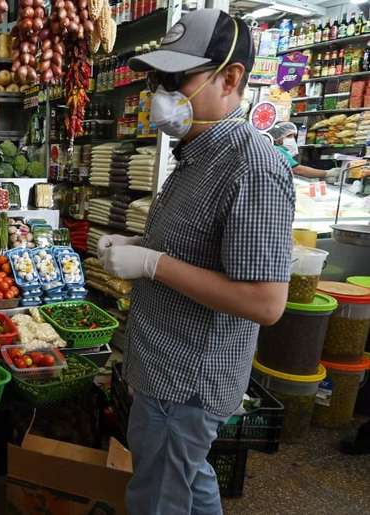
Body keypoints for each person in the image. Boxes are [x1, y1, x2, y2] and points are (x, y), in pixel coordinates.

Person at [97, 10, 294, 515]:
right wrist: (136, 244)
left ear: (231, 79)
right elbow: (196, 248)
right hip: (163, 367)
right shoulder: (194, 152)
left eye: (178, 78)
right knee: (188, 478)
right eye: (158, 79)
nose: (162, 93)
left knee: (158, 498)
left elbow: (266, 301)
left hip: (188, 381)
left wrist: (152, 263)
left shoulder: (251, 165)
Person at [268, 121, 342, 181]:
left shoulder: (276, 149)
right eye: (289, 136)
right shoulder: (277, 150)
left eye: (294, 136)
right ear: (276, 137)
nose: (292, 139)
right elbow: (298, 170)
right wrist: (327, 173)